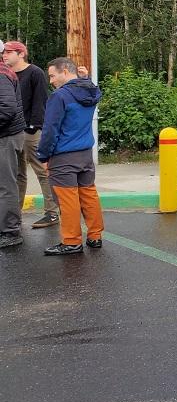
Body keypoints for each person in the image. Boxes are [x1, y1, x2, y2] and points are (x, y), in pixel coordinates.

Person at [36, 57, 104, 256]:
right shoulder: (90, 90)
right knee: (88, 195)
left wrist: (43, 155)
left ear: (65, 71)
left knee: (67, 200)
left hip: (64, 155)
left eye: (52, 75)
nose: (51, 81)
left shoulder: (60, 96)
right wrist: (86, 78)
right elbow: (92, 89)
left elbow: (50, 129)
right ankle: (95, 236)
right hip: (85, 153)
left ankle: (72, 241)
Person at [3, 41, 60, 228]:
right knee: (17, 174)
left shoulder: (34, 72)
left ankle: (52, 213)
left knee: (42, 171)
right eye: (4, 52)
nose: (5, 55)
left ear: (21, 54)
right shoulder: (7, 73)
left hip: (31, 130)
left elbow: (41, 101)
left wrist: (34, 126)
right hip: (13, 131)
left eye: (9, 52)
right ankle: (14, 213)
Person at [0, 60, 26, 249]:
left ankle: (10, 231)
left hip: (6, 136)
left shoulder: (1, 75)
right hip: (7, 134)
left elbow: (7, 108)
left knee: (5, 184)